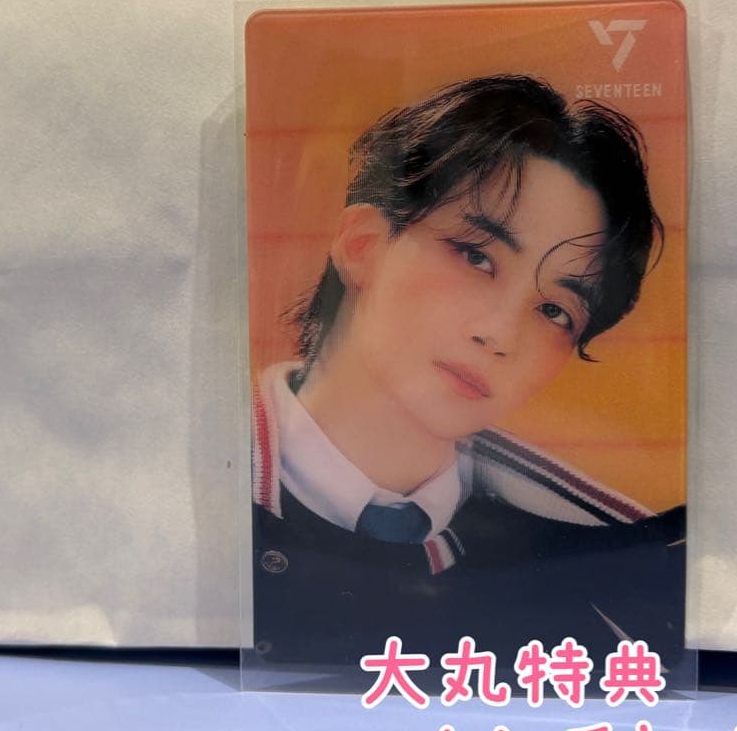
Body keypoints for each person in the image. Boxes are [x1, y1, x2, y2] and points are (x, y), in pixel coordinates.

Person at [251, 74, 686, 691]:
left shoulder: (608, 562)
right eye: (476, 256)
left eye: (554, 310)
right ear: (363, 245)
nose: (500, 334)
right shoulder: (192, 484)